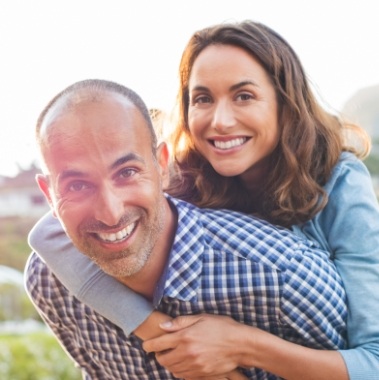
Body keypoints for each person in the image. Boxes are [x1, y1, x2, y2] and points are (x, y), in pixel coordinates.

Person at [27, 19, 379, 379]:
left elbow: (375, 360)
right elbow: (47, 235)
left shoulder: (339, 183)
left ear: (284, 103)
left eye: (243, 96)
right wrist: (157, 331)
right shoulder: (184, 170)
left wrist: (241, 345)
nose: (220, 121)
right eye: (202, 99)